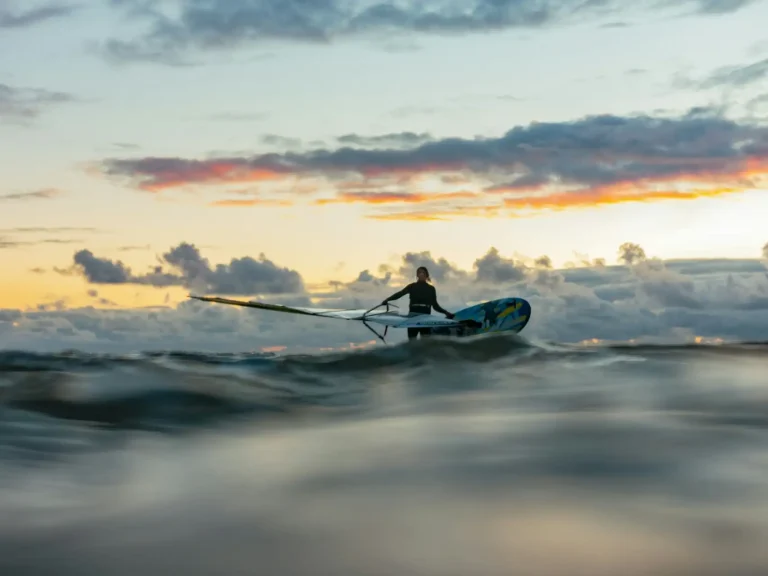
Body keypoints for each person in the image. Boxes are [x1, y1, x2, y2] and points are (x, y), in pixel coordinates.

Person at [381, 266, 454, 340]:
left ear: (427, 275)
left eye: (423, 273)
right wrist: (387, 299)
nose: (421, 274)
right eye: (419, 272)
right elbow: (400, 294)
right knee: (412, 342)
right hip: (413, 318)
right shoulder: (412, 286)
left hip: (425, 318)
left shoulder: (431, 289)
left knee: (425, 343)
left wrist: (446, 312)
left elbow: (435, 305)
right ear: (417, 275)